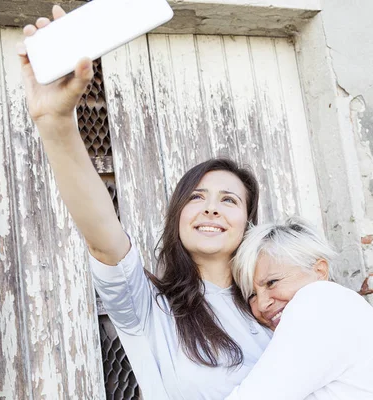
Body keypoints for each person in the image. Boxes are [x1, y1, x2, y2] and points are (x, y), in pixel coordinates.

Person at [16, 6, 271, 400]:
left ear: (249, 224)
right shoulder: (148, 308)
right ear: (178, 217)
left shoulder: (276, 307)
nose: (211, 208)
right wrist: (56, 122)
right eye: (197, 197)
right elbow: (103, 238)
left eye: (229, 200)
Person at [226, 216, 373, 400]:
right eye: (251, 294)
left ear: (319, 271)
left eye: (272, 282)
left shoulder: (319, 302)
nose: (261, 304)